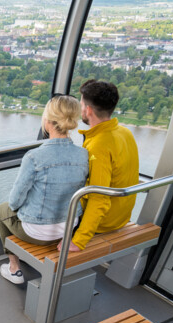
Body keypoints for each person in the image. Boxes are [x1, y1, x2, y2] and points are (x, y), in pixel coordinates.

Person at [0, 95, 89, 284]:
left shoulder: (34, 157)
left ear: (47, 122)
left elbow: (15, 201)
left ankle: (14, 268)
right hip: (69, 228)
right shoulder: (83, 155)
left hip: (36, 233)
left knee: (1, 210)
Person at [60, 80, 139, 251]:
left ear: (88, 110)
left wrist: (78, 240)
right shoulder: (124, 132)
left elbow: (99, 198)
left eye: (81, 104)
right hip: (121, 216)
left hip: (105, 223)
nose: (81, 108)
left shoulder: (99, 146)